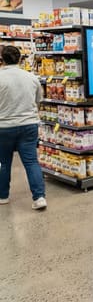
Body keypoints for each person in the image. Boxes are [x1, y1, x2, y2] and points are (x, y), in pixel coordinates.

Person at [0, 45, 47, 210]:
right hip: (28, 125)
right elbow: (38, 99)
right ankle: (39, 197)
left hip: (4, 126)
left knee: (4, 163)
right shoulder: (31, 77)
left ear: (2, 59)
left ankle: (3, 196)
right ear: (20, 59)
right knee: (31, 161)